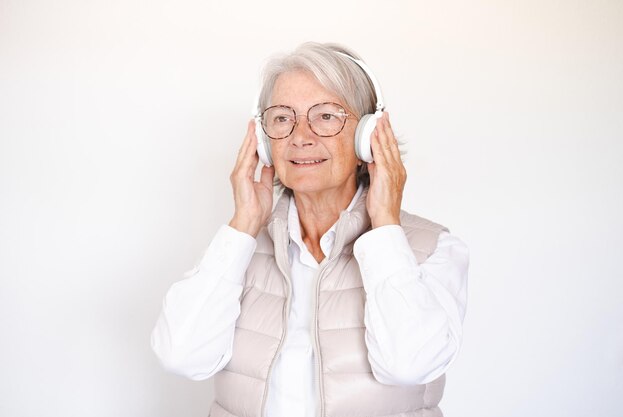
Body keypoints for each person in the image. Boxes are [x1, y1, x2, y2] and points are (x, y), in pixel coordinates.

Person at [151, 42, 469, 417]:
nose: (300, 136)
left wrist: (385, 225)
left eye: (326, 116)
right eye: (283, 118)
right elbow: (182, 357)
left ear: (367, 136)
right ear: (263, 139)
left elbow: (408, 365)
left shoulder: (434, 248)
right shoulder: (241, 247)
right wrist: (242, 228)